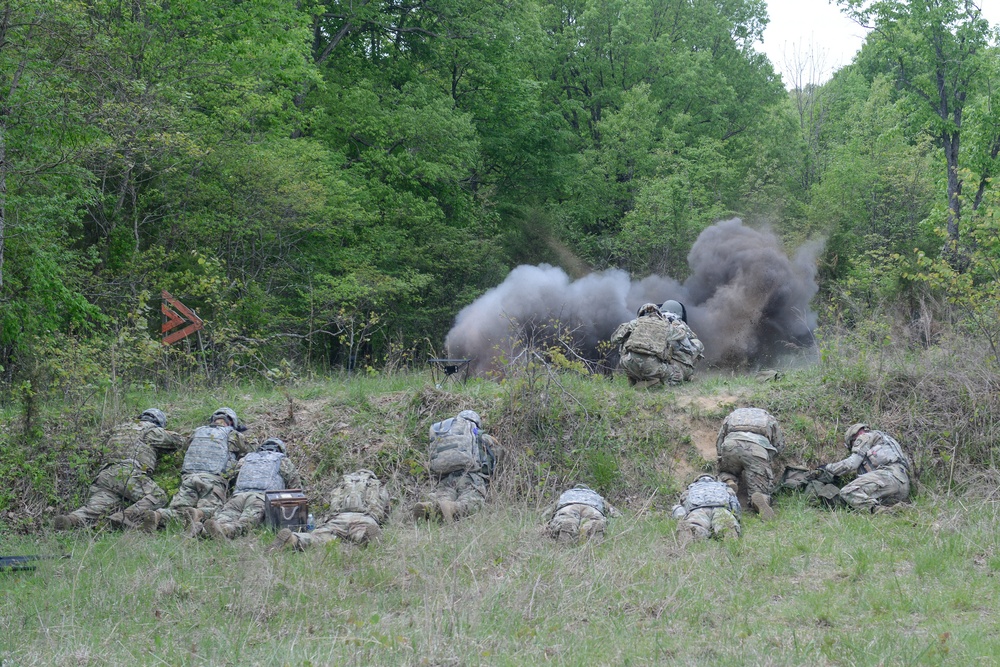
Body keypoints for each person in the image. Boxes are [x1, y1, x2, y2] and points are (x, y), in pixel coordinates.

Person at [54, 409, 185, 530]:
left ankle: (71, 519)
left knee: (94, 510)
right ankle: (124, 516)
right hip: (128, 473)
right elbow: (180, 441)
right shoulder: (151, 430)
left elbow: (97, 444)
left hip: (105, 474)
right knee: (158, 496)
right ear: (158, 422)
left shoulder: (118, 428)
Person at [142, 407, 250, 530]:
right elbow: (249, 451)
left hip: (189, 477)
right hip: (213, 479)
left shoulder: (197, 431)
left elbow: (185, 448)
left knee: (179, 508)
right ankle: (199, 513)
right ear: (232, 422)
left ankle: (159, 515)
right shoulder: (232, 434)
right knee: (215, 510)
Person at [194, 438, 300, 539]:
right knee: (245, 523)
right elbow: (295, 488)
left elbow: (233, 477)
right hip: (260, 499)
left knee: (222, 518)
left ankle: (201, 531)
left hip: (238, 497)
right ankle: (226, 530)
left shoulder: (246, 459)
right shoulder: (283, 461)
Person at [412, 410, 498, 523]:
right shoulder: (479, 434)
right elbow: (497, 453)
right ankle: (453, 508)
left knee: (442, 497)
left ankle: (429, 506)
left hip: (446, 477)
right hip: (470, 477)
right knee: (473, 502)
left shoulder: (446, 432)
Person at [273, 469, 390, 550]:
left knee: (319, 537)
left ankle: (295, 539)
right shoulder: (377, 485)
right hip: (365, 518)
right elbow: (384, 512)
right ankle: (367, 538)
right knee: (359, 535)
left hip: (338, 518)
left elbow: (330, 503)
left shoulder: (343, 484)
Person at [814, 423, 911, 513]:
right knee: (865, 495)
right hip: (903, 485)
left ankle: (880, 511)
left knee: (847, 492)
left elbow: (851, 464)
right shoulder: (886, 439)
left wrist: (828, 467)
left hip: (888, 477)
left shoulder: (864, 436)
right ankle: (894, 508)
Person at [610, 303, 704, 388]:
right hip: (652, 365)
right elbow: (686, 341)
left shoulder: (634, 323)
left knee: (625, 340)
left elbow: (614, 339)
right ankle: (655, 383)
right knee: (677, 375)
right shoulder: (667, 326)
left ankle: (633, 379)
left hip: (627, 363)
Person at [716, 407, 785, 520]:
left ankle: (729, 482)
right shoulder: (769, 418)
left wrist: (721, 457)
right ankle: (758, 498)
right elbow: (779, 445)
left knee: (725, 472)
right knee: (760, 490)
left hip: (730, 446)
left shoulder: (732, 416)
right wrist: (767, 460)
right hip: (756, 450)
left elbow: (720, 440)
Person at [672, 474, 742, 544]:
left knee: (693, 527)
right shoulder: (724, 486)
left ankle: (689, 537)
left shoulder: (691, 487)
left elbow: (682, 504)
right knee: (727, 525)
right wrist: (737, 517)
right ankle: (729, 535)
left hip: (698, 509)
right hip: (721, 508)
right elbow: (734, 502)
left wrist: (683, 516)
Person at [544, 484, 619, 542]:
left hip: (569, 506)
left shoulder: (566, 494)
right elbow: (614, 513)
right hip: (592, 507)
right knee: (593, 520)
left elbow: (546, 514)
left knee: (565, 519)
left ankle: (567, 525)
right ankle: (594, 526)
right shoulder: (596, 496)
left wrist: (545, 522)